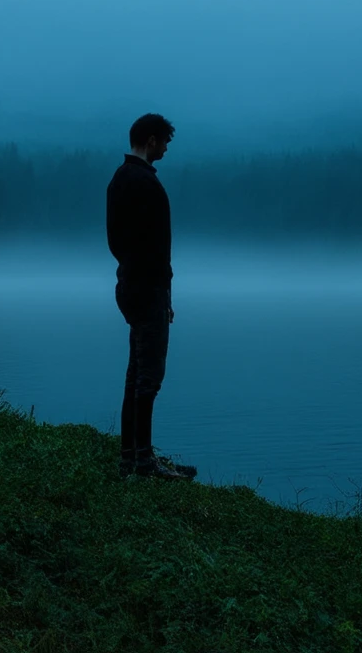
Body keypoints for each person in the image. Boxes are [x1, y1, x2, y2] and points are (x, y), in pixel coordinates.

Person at [106, 113, 197, 481]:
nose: (166, 150)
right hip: (148, 289)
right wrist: (164, 295)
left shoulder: (118, 179)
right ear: (151, 140)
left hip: (128, 285)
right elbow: (160, 250)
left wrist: (131, 272)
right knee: (149, 378)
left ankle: (131, 456)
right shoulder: (148, 184)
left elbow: (116, 242)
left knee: (135, 375)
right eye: (165, 143)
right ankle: (143, 462)